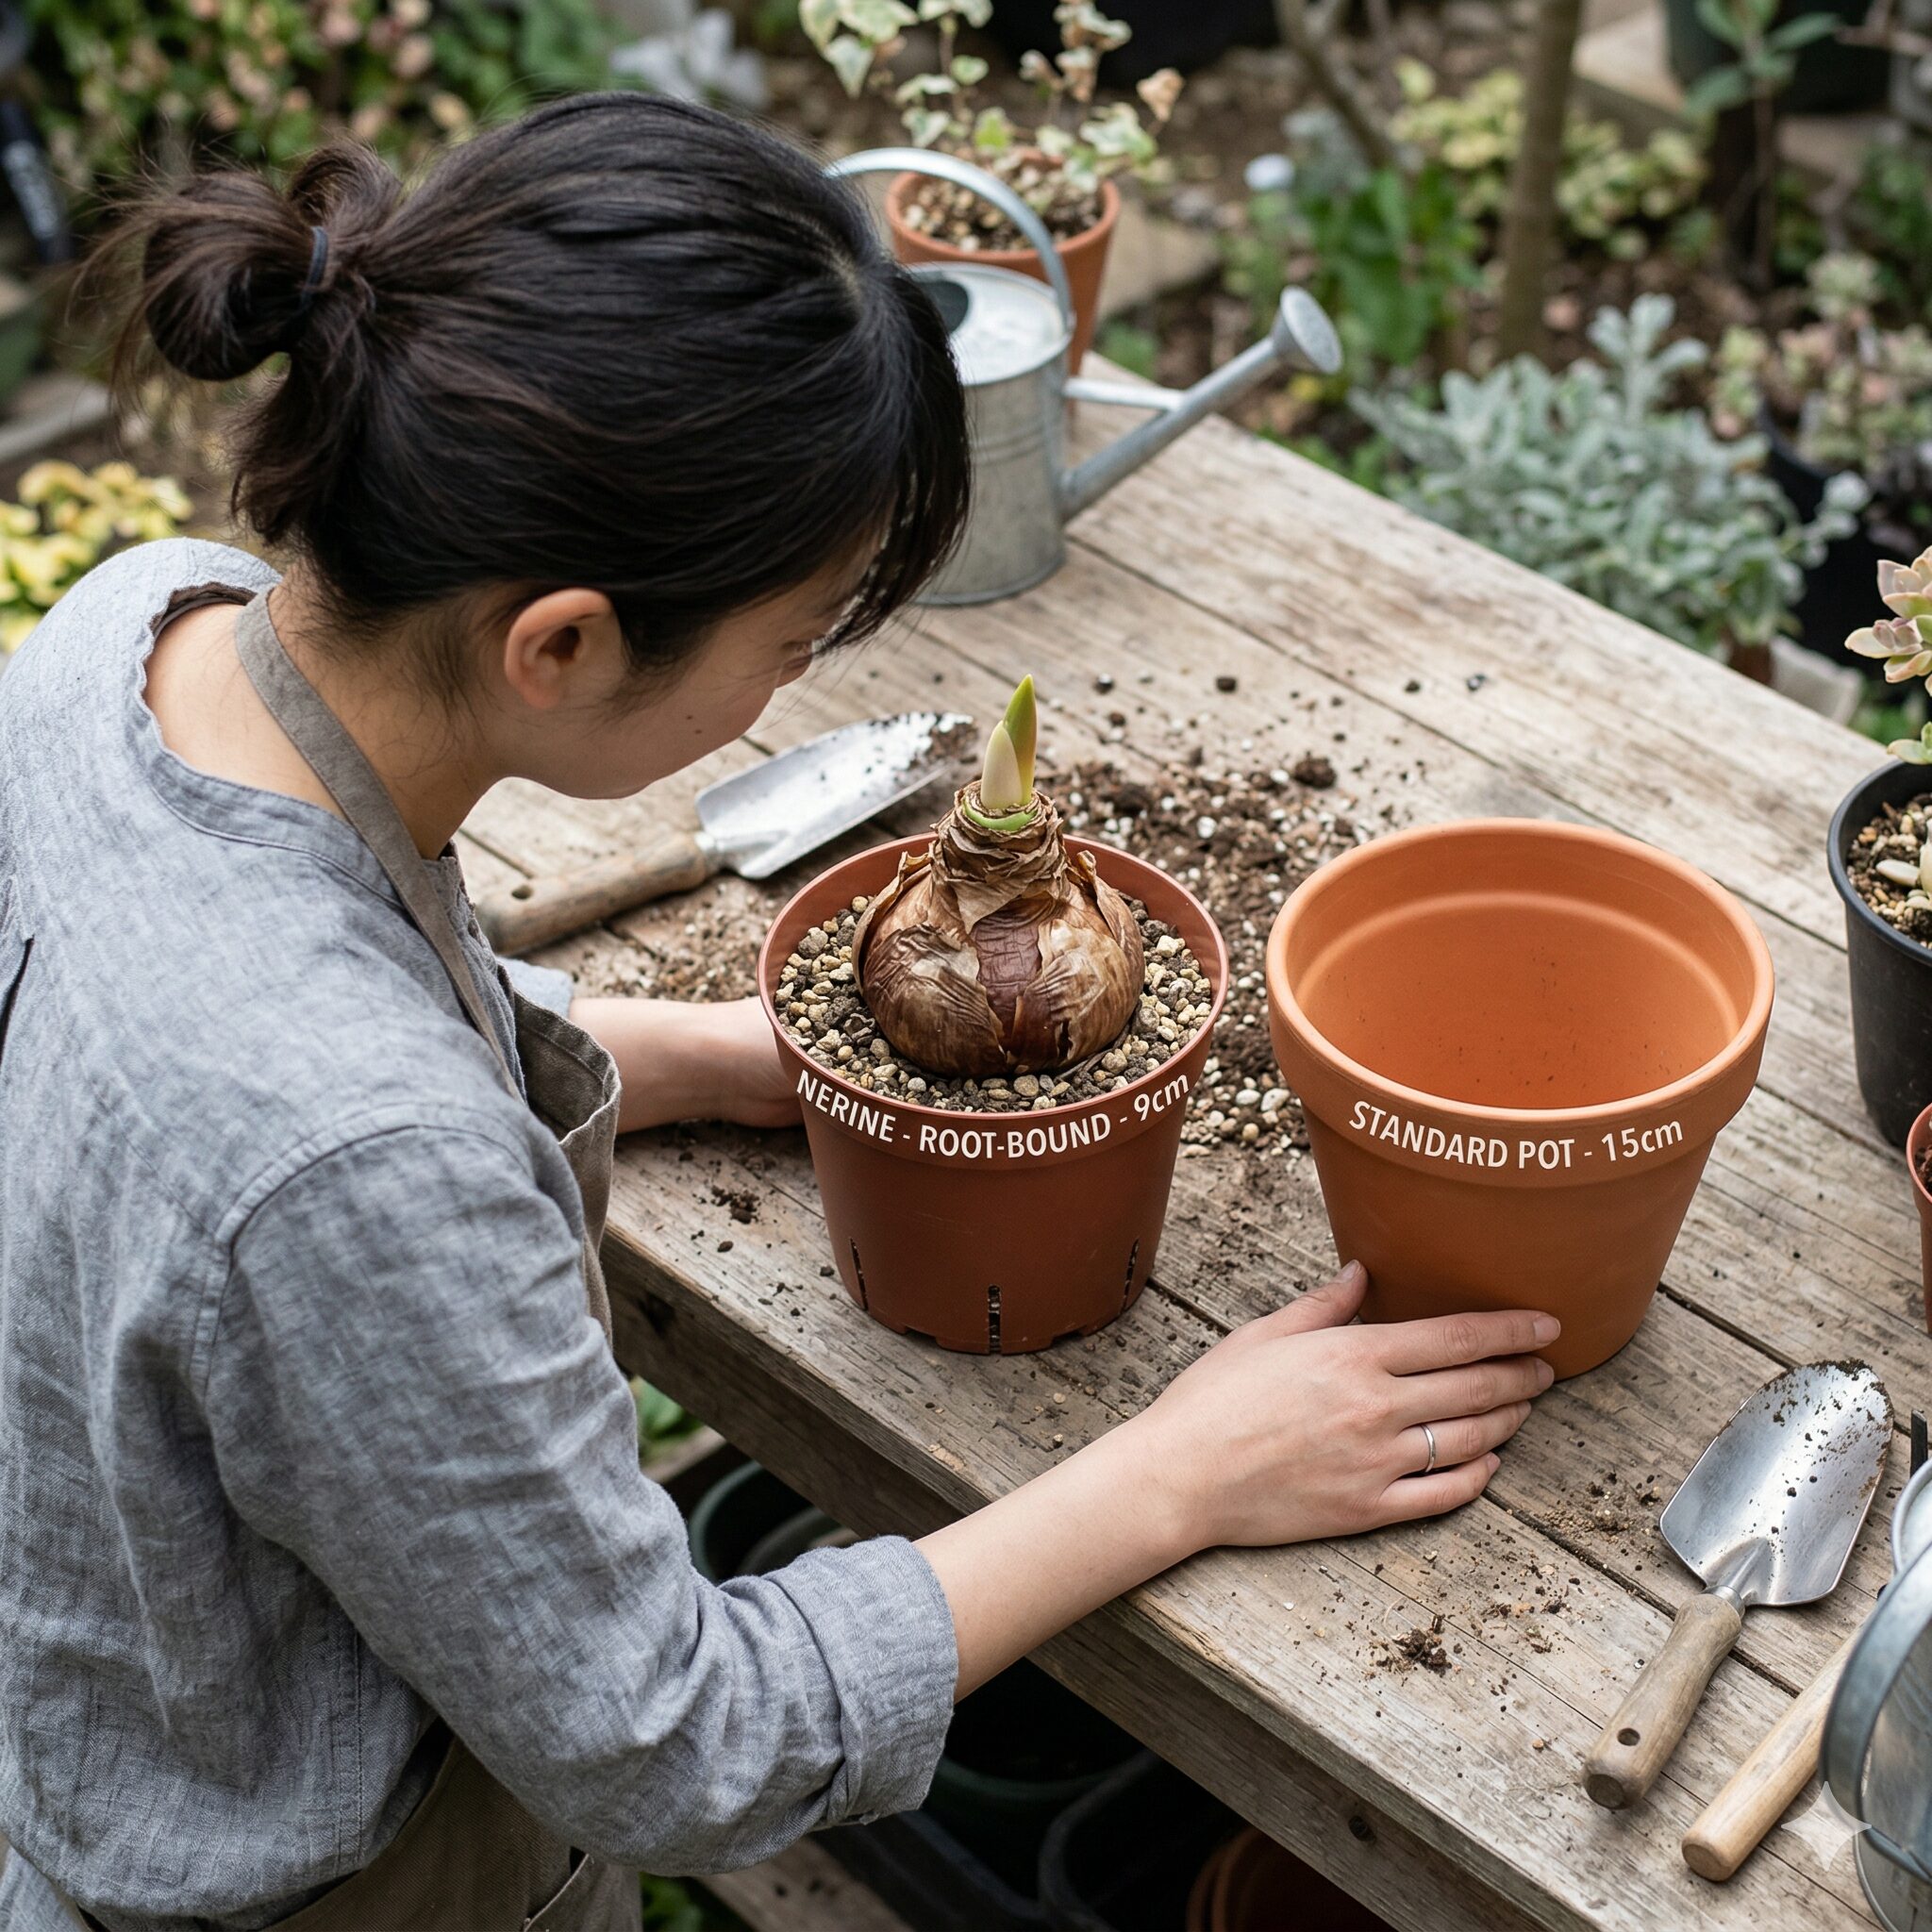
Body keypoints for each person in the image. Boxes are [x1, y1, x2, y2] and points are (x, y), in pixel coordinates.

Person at [0, 93, 1558, 1931]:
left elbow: (237, 1003)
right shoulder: (358, 1163)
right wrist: (1180, 1470)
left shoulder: (138, 632)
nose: (806, 677)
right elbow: (668, 1739)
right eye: (801, 633)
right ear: (561, 644)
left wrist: (664, 1054)